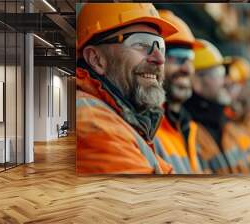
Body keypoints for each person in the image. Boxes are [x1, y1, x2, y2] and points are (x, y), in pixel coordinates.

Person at [76, 3, 178, 174]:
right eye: (142, 44)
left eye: (160, 45)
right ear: (96, 59)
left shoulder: (128, 121)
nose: (159, 59)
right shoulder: (93, 122)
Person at [152, 10, 204, 174]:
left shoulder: (187, 127)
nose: (188, 69)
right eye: (179, 57)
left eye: (190, 59)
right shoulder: (147, 130)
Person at [184, 39, 235, 174]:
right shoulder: (188, 130)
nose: (226, 81)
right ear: (196, 81)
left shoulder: (221, 122)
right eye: (219, 74)